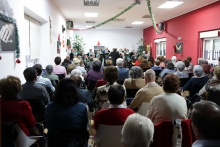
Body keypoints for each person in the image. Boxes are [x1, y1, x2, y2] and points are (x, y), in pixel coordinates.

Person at [46, 78, 89, 147]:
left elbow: (48, 125)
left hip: (55, 143)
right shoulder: (82, 107)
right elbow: (84, 128)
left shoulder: (50, 106)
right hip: (76, 143)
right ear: (75, 91)